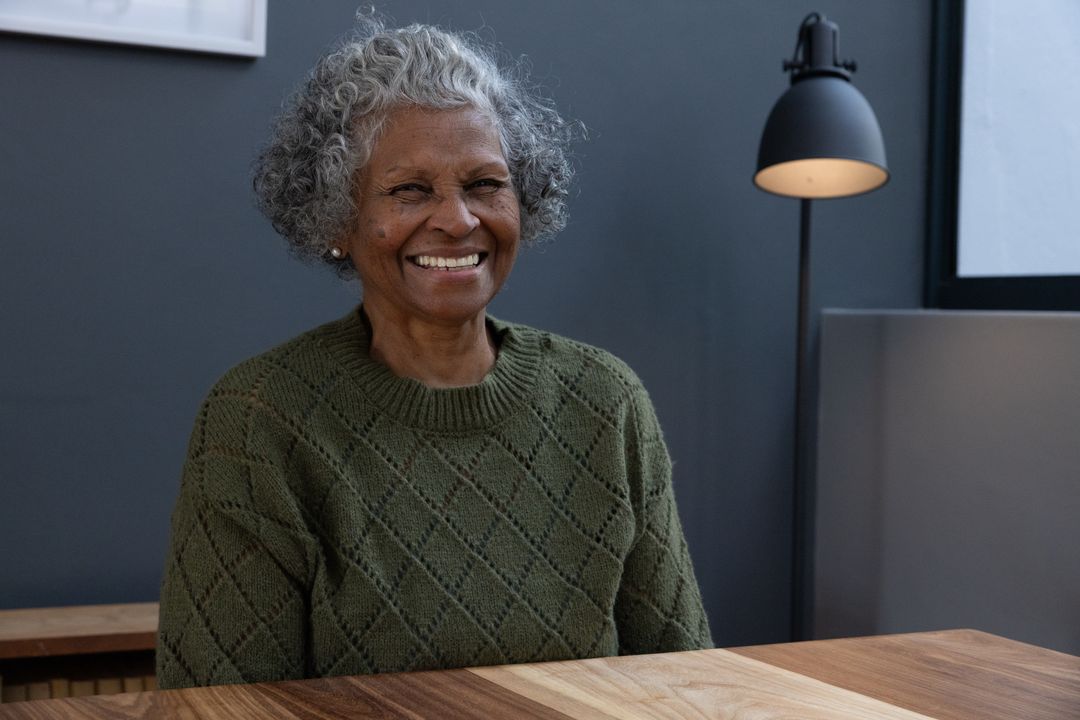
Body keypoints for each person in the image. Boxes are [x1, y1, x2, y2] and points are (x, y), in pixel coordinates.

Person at [156, 16, 712, 689]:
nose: (458, 219)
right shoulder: (259, 421)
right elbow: (221, 706)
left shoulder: (605, 401)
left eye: (484, 184)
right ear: (338, 219)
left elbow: (686, 681)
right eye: (410, 190)